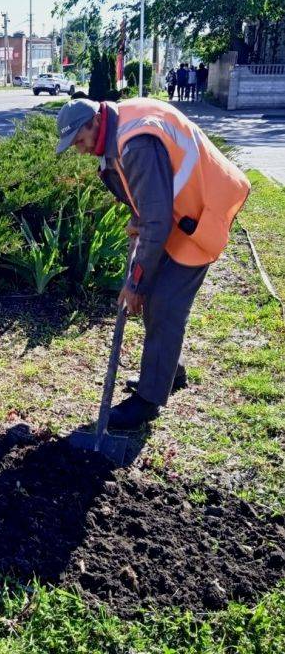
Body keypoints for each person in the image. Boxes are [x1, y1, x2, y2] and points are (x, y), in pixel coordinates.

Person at [55, 97, 250, 430]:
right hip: (179, 215)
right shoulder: (117, 136)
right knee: (157, 302)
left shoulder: (136, 143)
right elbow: (146, 192)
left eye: (80, 140)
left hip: (203, 215)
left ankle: (147, 403)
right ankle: (168, 372)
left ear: (95, 123)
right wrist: (137, 217)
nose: (80, 150)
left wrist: (135, 284)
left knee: (163, 302)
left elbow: (157, 221)